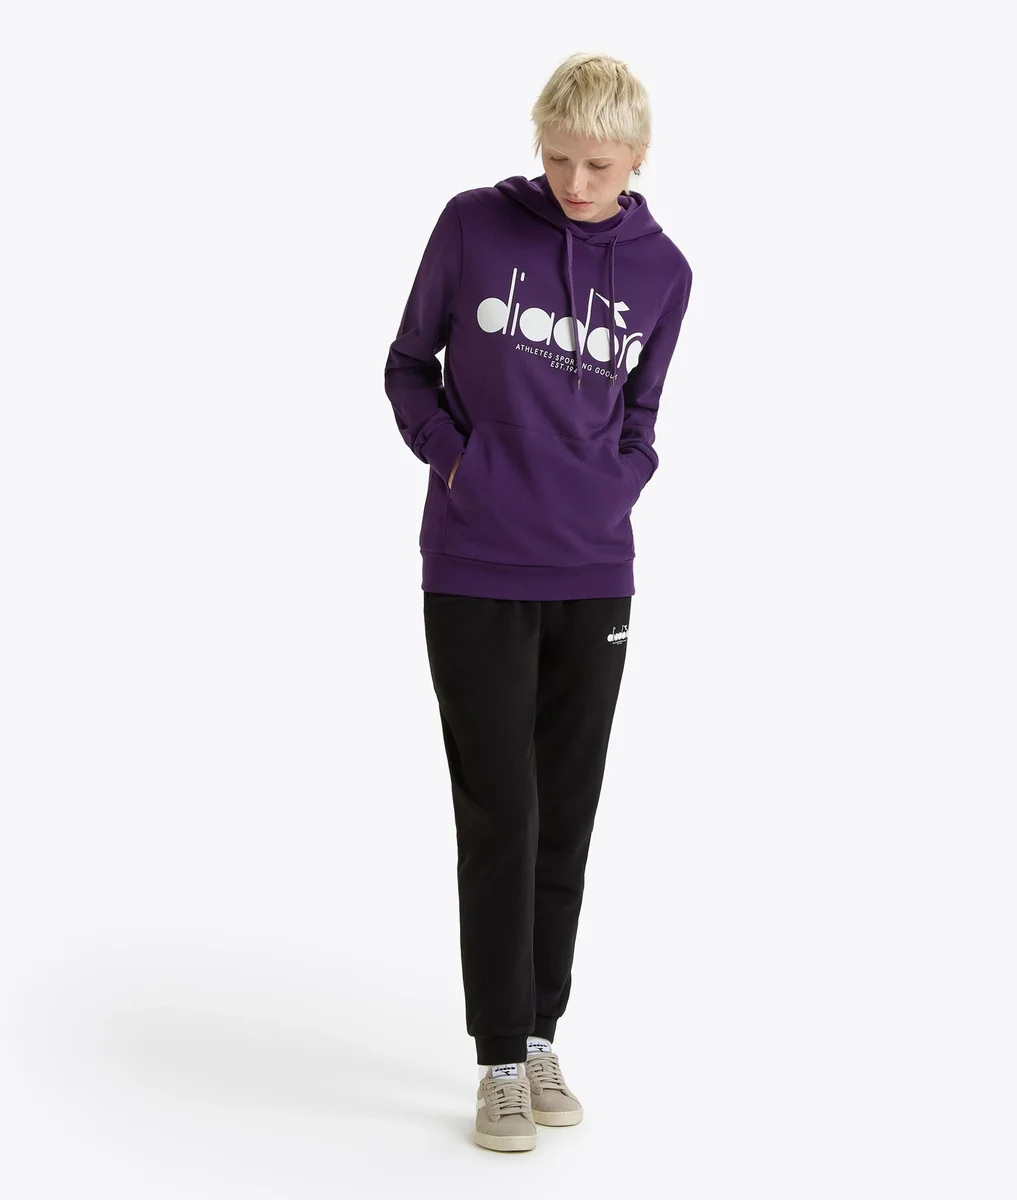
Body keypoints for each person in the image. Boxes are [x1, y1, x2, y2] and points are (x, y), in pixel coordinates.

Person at [383, 52, 692, 1152]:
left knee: (565, 812)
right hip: (475, 567)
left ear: (636, 158)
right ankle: (499, 1060)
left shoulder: (664, 272)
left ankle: (541, 1030)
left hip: (592, 573)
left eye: (596, 165)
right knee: (500, 813)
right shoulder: (473, 225)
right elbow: (407, 366)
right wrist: (458, 463)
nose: (573, 182)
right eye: (557, 158)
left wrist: (617, 484)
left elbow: (642, 415)